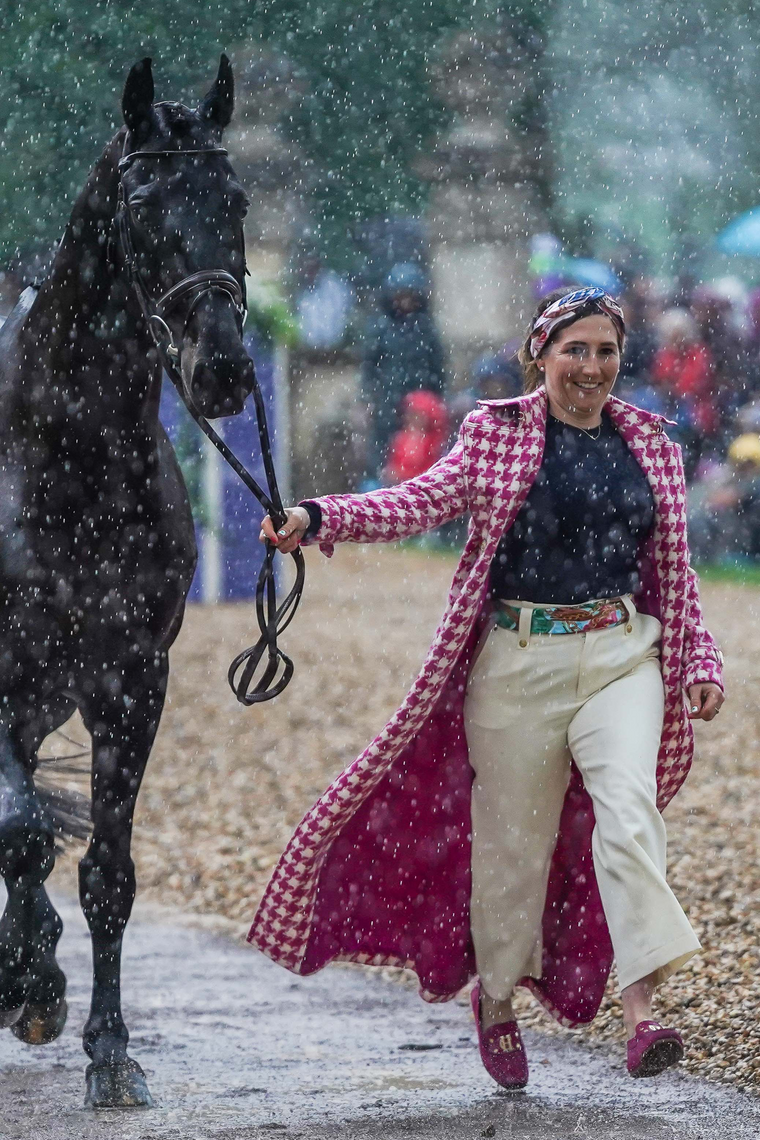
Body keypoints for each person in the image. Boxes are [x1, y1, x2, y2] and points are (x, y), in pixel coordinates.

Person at [252, 286, 725, 1090]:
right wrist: (318, 516)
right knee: (512, 849)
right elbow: (417, 500)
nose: (591, 367)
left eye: (605, 351)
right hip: (517, 662)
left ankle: (643, 1014)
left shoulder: (651, 443)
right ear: (537, 356)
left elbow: (675, 575)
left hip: (622, 654)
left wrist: (700, 664)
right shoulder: (494, 434)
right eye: (574, 350)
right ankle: (498, 1002)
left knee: (628, 811)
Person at [360, 261, 446, 485]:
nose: (405, 302)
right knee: (383, 456)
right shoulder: (381, 330)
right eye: (400, 296)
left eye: (410, 296)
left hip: (420, 407)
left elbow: (438, 369)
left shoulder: (426, 331)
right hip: (388, 402)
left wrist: (431, 402)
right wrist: (368, 400)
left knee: (421, 457)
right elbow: (370, 368)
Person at [382, 390, 449, 486]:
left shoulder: (433, 442)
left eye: (418, 415)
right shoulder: (401, 439)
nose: (412, 418)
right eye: (411, 414)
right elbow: (393, 466)